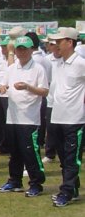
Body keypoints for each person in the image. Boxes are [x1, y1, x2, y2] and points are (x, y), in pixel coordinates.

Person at [0, 36, 49, 197]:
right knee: (15, 152)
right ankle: (14, 180)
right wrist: (3, 88)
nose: (22, 52)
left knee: (30, 152)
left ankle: (36, 183)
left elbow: (44, 91)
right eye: (19, 49)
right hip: (12, 117)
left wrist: (27, 87)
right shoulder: (11, 68)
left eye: (25, 49)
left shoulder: (38, 68)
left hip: (29, 118)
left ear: (32, 49)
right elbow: (2, 85)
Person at [46, 28, 85, 207]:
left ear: (70, 42)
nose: (55, 46)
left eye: (59, 42)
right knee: (63, 158)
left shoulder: (80, 63)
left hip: (74, 119)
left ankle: (66, 192)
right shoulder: (58, 63)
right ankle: (73, 188)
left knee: (71, 158)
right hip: (57, 117)